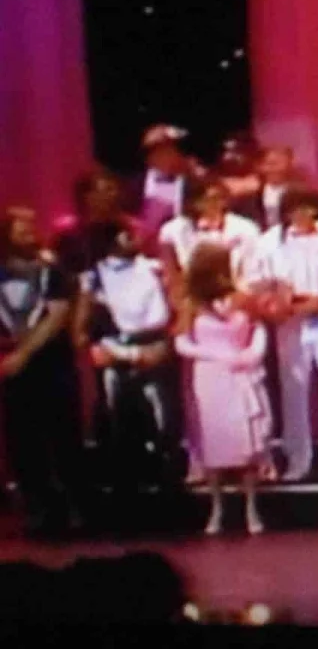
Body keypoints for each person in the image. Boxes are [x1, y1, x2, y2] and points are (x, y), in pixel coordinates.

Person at [250, 187, 318, 482]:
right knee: (294, 392)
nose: (301, 215)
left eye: (307, 208)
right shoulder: (269, 243)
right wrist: (275, 302)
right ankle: (298, 461)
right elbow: (256, 281)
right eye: (294, 209)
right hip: (290, 326)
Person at [75, 219, 180, 515]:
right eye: (128, 234)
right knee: (119, 424)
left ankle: (170, 497)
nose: (137, 238)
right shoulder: (94, 277)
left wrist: (168, 344)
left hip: (155, 347)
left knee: (164, 424)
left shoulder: (155, 269)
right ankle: (126, 500)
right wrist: (94, 349)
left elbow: (181, 307)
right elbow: (80, 327)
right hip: (115, 350)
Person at [0, 206, 86, 536]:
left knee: (64, 435)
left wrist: (24, 353)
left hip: (52, 365)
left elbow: (57, 315)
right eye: (21, 228)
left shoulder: (51, 271)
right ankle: (37, 507)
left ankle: (75, 506)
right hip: (12, 369)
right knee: (23, 441)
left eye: (31, 226)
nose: (30, 232)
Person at [175, 242, 271, 535]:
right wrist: (215, 355)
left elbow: (259, 330)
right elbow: (181, 342)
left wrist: (251, 354)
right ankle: (217, 508)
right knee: (214, 443)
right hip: (210, 377)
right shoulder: (192, 304)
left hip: (241, 372)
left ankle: (251, 507)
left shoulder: (242, 298)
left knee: (245, 443)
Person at [125, 124, 205, 237]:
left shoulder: (191, 181)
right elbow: (127, 215)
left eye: (176, 148)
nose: (177, 153)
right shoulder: (137, 183)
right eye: (168, 149)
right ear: (152, 156)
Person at [231, 145, 305, 232]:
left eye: (277, 163)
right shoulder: (247, 199)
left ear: (289, 165)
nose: (273, 169)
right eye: (269, 164)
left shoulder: (302, 196)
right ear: (261, 167)